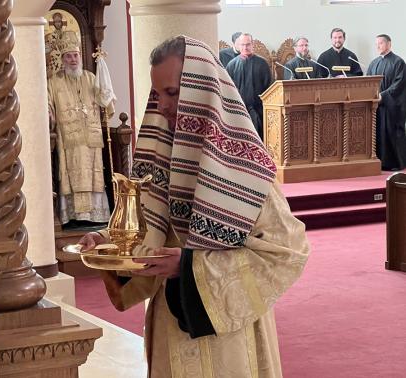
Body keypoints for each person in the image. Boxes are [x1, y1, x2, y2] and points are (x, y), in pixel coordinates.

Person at [79, 36, 309, 377]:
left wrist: (188, 266)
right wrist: (107, 240)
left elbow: (287, 251)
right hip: (169, 324)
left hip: (227, 339)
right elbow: (147, 225)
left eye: (172, 93)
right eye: (157, 95)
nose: (163, 105)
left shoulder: (245, 167)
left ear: (204, 89)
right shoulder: (159, 156)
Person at [47, 38, 112, 225]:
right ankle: (74, 216)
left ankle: (95, 215)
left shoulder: (91, 77)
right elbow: (48, 105)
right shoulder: (54, 82)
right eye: (68, 56)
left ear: (80, 57)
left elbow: (104, 99)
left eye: (75, 56)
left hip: (91, 137)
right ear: (63, 59)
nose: (73, 60)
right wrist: (50, 116)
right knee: (70, 173)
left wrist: (104, 80)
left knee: (94, 175)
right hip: (69, 138)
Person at [367, 34, 406, 171]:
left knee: (391, 133)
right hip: (377, 107)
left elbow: (399, 84)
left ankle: (396, 163)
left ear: (389, 44)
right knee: (378, 134)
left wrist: (382, 96)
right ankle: (380, 162)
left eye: (381, 43)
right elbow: (368, 83)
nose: (378, 46)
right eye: (376, 43)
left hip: (392, 106)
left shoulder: (398, 62)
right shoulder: (374, 63)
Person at [226, 33, 272, 139]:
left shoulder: (262, 64)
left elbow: (269, 88)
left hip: (259, 110)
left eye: (248, 44)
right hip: (239, 110)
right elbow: (228, 89)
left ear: (253, 44)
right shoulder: (231, 65)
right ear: (238, 46)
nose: (245, 47)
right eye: (242, 45)